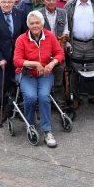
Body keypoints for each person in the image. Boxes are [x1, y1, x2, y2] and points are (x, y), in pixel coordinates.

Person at [14, 10, 65, 148]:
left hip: (45, 74)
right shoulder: (21, 39)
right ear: (28, 25)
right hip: (26, 74)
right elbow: (17, 61)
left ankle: (47, 130)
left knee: (43, 96)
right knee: (30, 97)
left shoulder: (50, 36)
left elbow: (60, 53)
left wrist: (52, 63)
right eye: (32, 23)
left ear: (42, 23)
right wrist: (35, 63)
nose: (35, 25)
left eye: (37, 22)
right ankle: (30, 125)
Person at [0, 0, 28, 123]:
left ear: (14, 2)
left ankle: (20, 109)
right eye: (3, 2)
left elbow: (24, 35)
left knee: (20, 83)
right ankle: (4, 111)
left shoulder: (20, 13)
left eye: (9, 2)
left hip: (18, 56)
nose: (6, 4)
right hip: (2, 58)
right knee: (3, 85)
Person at [39, 0, 69, 107]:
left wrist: (65, 35)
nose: (51, 2)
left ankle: (60, 103)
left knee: (59, 76)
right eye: (49, 0)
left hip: (58, 49)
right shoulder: (38, 13)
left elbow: (66, 28)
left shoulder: (63, 12)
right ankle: (43, 102)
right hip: (43, 50)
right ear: (44, 1)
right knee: (43, 76)